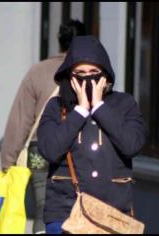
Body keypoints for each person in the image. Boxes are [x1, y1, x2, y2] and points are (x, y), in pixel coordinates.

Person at [37, 35, 146, 234]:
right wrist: (80, 111)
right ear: (69, 77)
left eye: (94, 72)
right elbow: (50, 150)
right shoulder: (56, 107)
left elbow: (132, 144)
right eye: (80, 73)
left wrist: (98, 107)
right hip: (65, 213)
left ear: (105, 75)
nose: (87, 78)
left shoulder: (125, 104)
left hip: (112, 215)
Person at [0, 20, 86, 234]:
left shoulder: (37, 72)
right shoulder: (87, 73)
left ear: (59, 41)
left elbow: (21, 118)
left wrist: (8, 161)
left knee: (43, 209)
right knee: (77, 208)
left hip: (40, 150)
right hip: (76, 150)